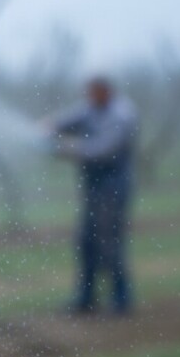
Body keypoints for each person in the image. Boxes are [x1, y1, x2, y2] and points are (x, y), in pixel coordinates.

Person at [43, 76, 138, 315]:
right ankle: (86, 298)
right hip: (94, 185)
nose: (89, 98)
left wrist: (65, 148)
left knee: (109, 242)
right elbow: (68, 120)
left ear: (106, 91)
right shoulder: (91, 109)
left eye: (93, 93)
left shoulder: (122, 115)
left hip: (114, 186)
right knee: (86, 241)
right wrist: (48, 126)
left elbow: (102, 150)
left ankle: (121, 297)